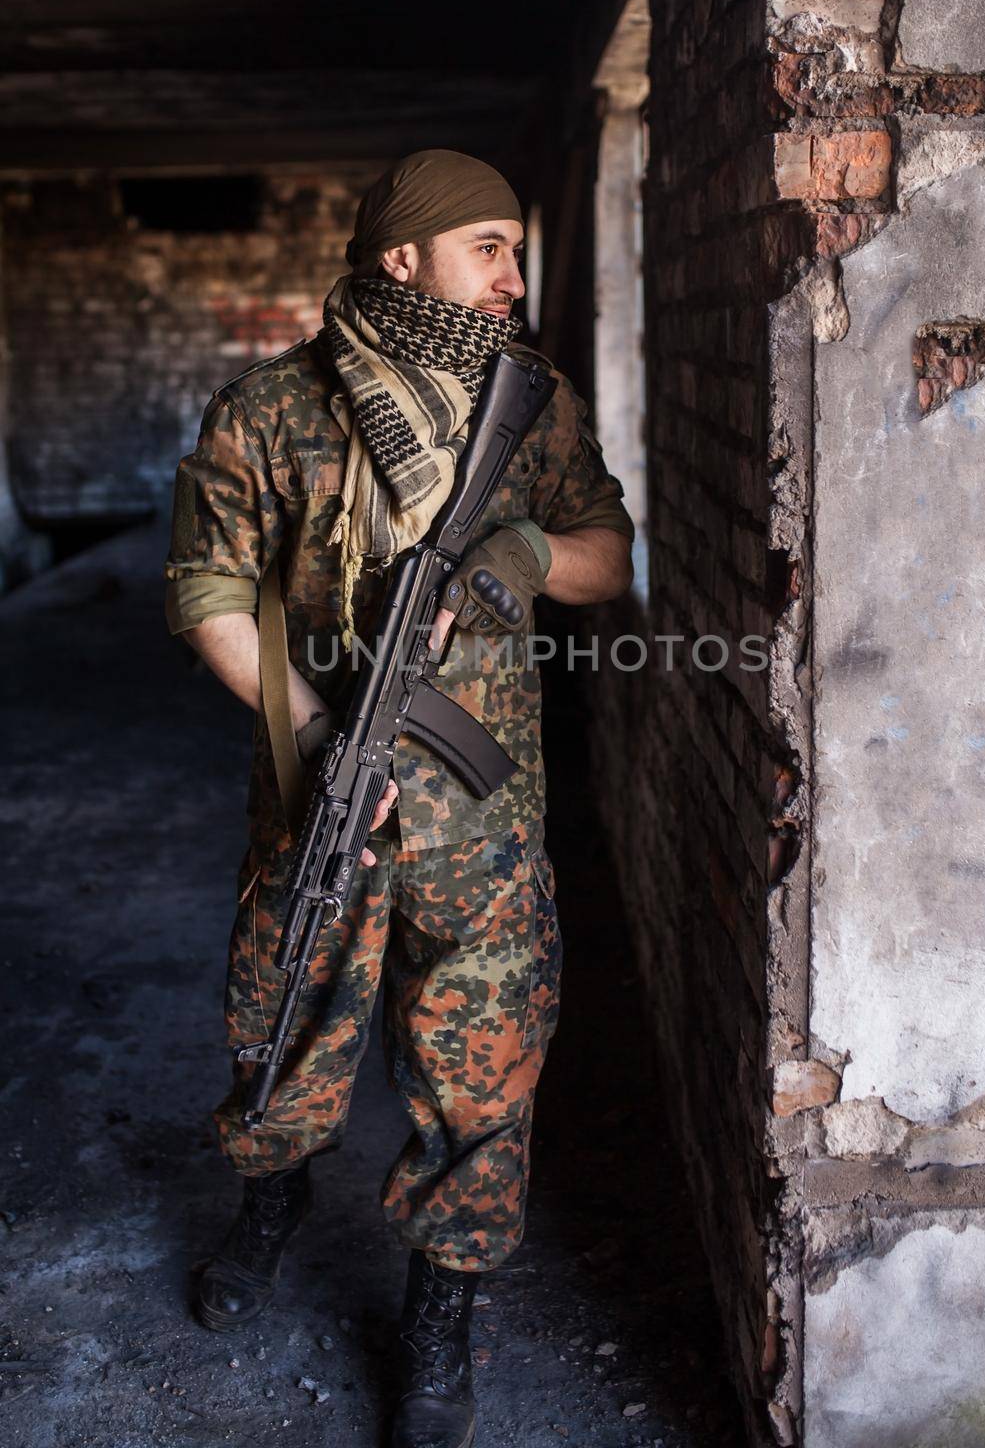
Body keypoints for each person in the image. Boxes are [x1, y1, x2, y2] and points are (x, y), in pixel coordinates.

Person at [164, 148, 634, 1448]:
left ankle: (442, 1318)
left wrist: (532, 553)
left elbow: (610, 553)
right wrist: (314, 737)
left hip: (484, 829)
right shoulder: (273, 411)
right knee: (279, 1026)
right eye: (488, 245)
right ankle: (271, 1210)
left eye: (517, 248)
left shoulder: (533, 411)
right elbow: (207, 588)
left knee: (481, 1073)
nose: (513, 275)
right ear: (402, 258)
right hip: (325, 801)